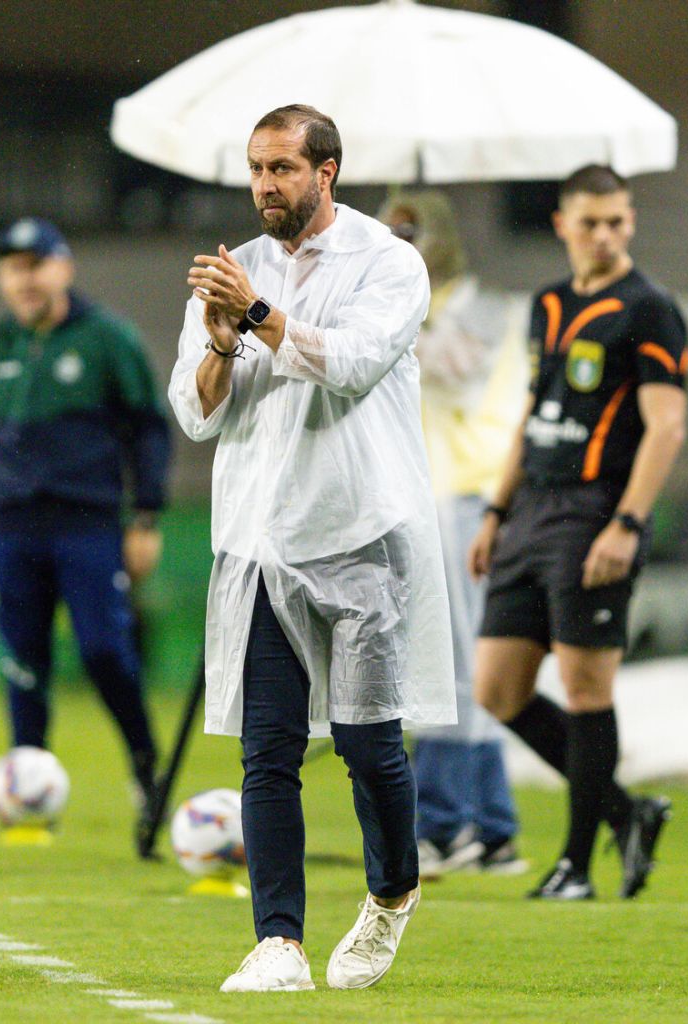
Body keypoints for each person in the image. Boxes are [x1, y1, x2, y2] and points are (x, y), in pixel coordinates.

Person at [169, 105, 456, 993]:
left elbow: (351, 365)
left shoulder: (388, 262)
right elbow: (194, 410)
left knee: (370, 748)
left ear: (326, 172)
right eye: (256, 169)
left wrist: (252, 315)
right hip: (262, 541)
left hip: (362, 537)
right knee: (268, 749)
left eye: (282, 169)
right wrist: (219, 341)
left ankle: (391, 893)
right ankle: (278, 942)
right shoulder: (232, 273)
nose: (264, 186)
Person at [468, 165, 688, 899]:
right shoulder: (548, 303)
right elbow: (534, 411)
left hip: (596, 514)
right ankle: (628, 813)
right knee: (498, 689)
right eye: (590, 222)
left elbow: (666, 427)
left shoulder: (650, 309)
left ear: (628, 223)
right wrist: (496, 513)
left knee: (585, 685)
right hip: (531, 509)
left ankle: (574, 866)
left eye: (617, 221)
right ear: (561, 224)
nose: (604, 235)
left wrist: (626, 523)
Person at [0, 217, 171, 853]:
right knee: (22, 662)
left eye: (36, 264)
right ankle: (28, 797)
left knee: (103, 651)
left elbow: (148, 430)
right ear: (3, 278)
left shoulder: (107, 340)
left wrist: (146, 515)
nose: (26, 277)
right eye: (14, 267)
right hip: (10, 528)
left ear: (63, 268)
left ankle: (145, 765)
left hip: (88, 525)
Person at [378, 190, 529, 878]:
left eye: (406, 232)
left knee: (455, 664)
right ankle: (488, 828)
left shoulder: (485, 309)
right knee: (453, 661)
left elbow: (451, 370)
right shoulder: (421, 307)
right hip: (429, 498)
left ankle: (444, 824)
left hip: (471, 497)